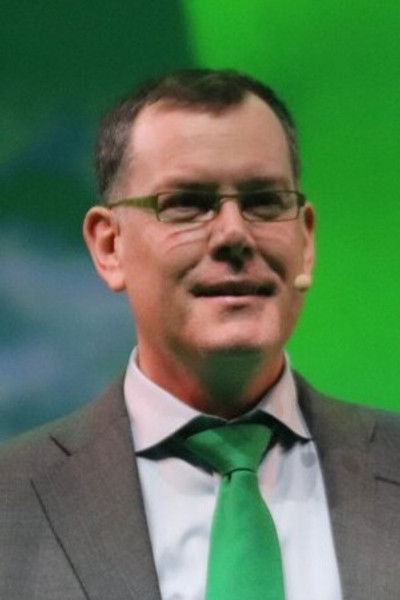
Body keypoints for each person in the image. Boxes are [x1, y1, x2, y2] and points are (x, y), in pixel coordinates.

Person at [1, 69, 399, 600]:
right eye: (186, 204)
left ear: (305, 242)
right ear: (109, 246)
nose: (234, 234)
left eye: (264, 201)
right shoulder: (10, 505)